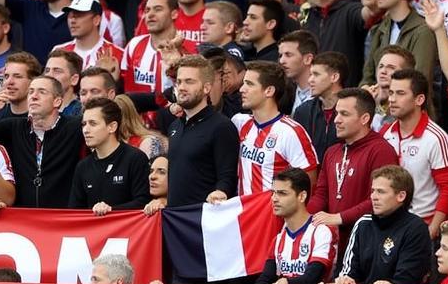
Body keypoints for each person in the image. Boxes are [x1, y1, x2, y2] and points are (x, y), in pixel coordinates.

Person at [308, 87, 399, 257]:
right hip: (333, 244)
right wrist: (304, 217)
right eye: (336, 113)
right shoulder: (332, 152)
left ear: (364, 118)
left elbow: (382, 198)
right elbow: (322, 194)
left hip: (367, 244)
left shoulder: (381, 150)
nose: (336, 120)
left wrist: (340, 217)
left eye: (344, 114)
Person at [0, 73, 84, 209]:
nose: (33, 96)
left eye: (42, 92)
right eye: (31, 92)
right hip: (25, 219)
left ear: (57, 101)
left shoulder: (75, 127)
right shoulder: (14, 127)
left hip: (62, 217)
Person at [152, 55, 239, 213]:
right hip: (175, 220)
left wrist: (221, 192)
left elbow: (228, 177)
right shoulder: (174, 126)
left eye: (189, 81)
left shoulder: (222, 127)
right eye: (179, 82)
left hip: (204, 221)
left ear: (206, 88)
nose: (182, 87)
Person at [380, 69, 448, 239]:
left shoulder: (436, 138)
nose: (392, 99)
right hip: (389, 225)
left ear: (419, 99)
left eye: (400, 93)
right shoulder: (385, 133)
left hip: (422, 226)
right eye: (391, 92)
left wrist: (433, 228)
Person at [332, 165, 430, 284]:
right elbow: (349, 272)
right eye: (372, 191)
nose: (373, 197)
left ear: (401, 196)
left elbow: (408, 279)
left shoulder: (416, 228)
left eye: (381, 192)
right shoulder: (363, 224)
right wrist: (345, 280)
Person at [233, 61, 318, 195]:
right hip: (244, 212)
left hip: (273, 213)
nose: (242, 89)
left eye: (249, 84)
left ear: (269, 91)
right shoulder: (239, 123)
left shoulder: (291, 132)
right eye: (243, 83)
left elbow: (309, 182)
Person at [256, 168, 336, 284]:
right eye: (273, 193)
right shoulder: (278, 239)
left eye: (282, 193)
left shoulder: (320, 232)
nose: (274, 199)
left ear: (302, 196)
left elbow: (313, 278)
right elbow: (264, 280)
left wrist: (286, 282)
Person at [69, 97, 150, 214]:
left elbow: (143, 202)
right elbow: (74, 211)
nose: (86, 130)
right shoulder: (83, 166)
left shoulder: (135, 158)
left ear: (112, 127)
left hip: (127, 230)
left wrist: (111, 210)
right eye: (83, 124)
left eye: (93, 123)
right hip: (93, 231)